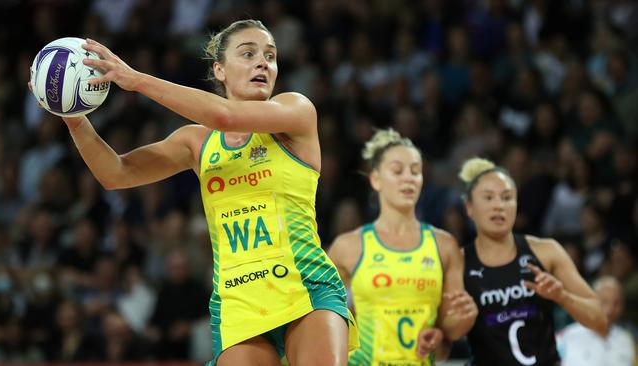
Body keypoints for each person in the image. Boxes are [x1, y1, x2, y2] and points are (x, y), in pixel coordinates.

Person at [33, 19, 356, 365]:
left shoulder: (296, 111)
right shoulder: (197, 142)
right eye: (248, 54)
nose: (263, 62)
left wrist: (136, 79)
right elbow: (116, 173)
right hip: (238, 300)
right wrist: (73, 117)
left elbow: (227, 116)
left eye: (270, 56)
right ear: (219, 69)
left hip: (305, 286)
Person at [328, 128, 478, 365]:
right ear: (375, 179)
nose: (408, 178)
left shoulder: (444, 246)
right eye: (397, 171)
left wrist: (457, 323)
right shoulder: (347, 248)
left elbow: (450, 330)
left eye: (415, 171)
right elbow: (324, 324)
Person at [458, 157, 608, 366]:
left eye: (507, 197)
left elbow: (599, 319)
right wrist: (460, 320)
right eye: (488, 198)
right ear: (469, 208)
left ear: (516, 205)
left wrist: (562, 296)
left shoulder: (546, 251)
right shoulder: (458, 262)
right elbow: (444, 339)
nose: (499, 206)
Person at [557, 276, 635, 366]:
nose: (610, 310)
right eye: (604, 301)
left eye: (616, 303)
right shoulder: (567, 336)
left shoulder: (626, 340)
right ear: (592, 302)